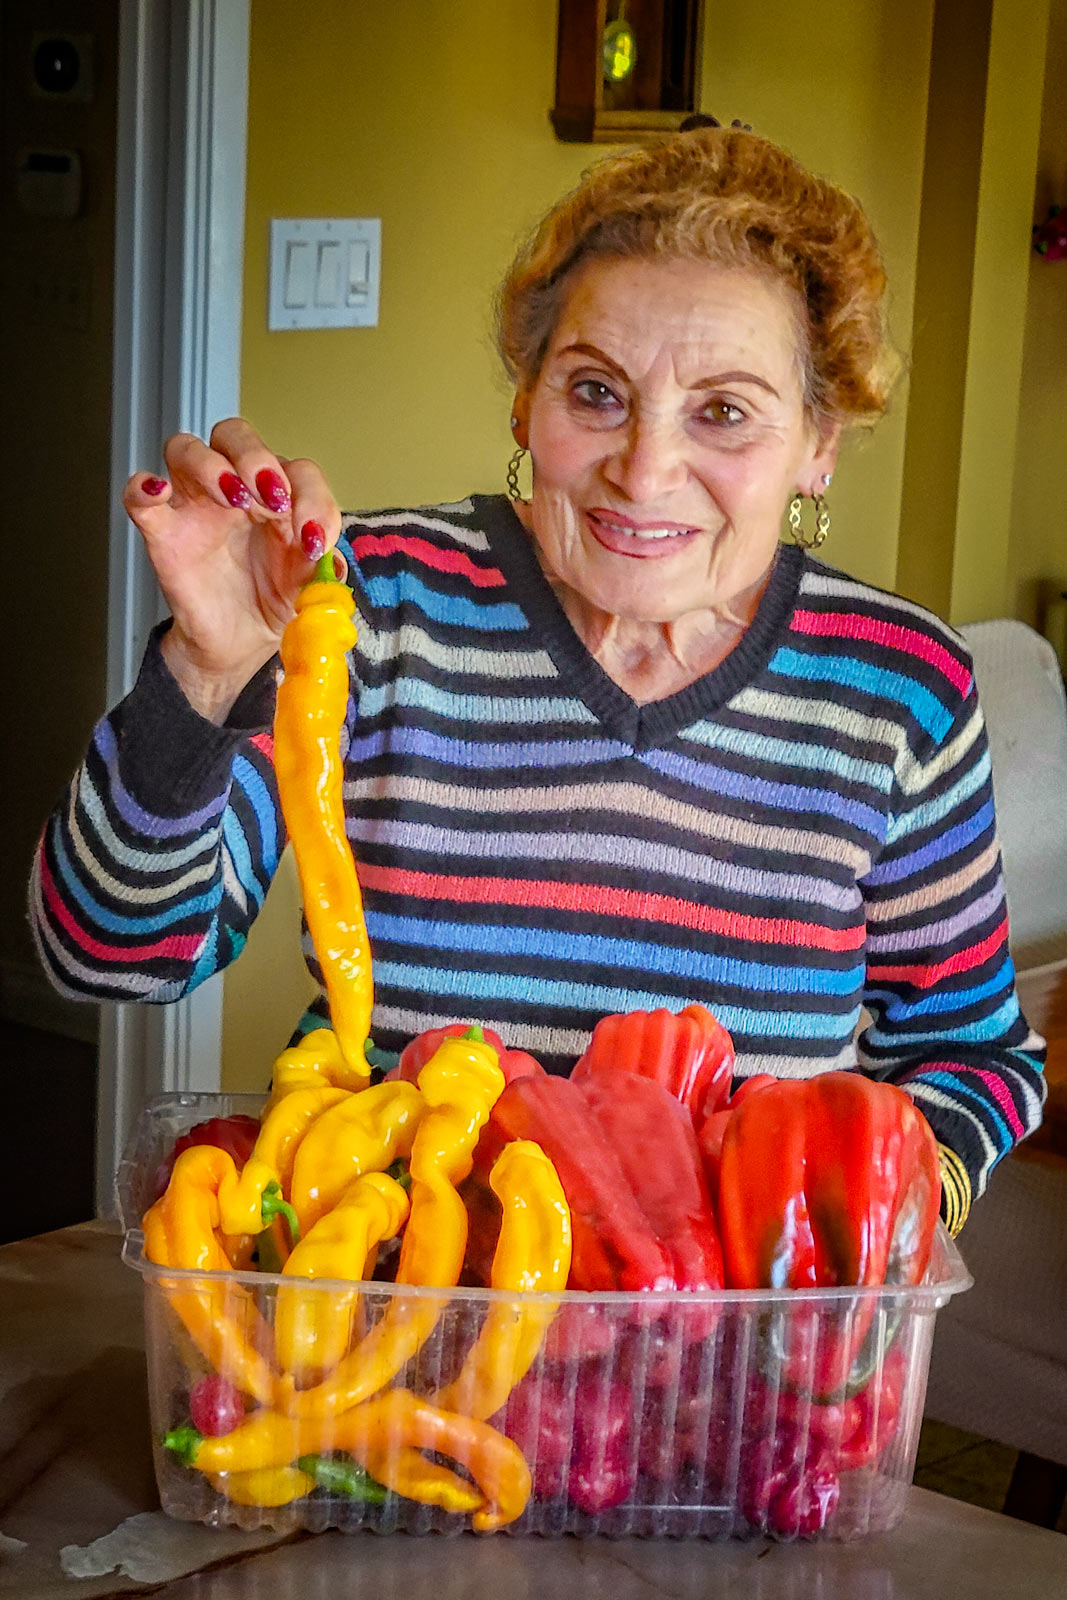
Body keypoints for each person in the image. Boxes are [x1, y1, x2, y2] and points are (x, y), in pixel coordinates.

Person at [30, 120, 1044, 1236]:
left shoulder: (895, 686)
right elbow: (107, 955)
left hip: (724, 1349)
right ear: (525, 403)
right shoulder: (365, 605)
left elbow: (966, 1052)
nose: (644, 468)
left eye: (722, 411)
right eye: (595, 393)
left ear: (817, 445)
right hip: (388, 1307)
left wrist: (882, 1215)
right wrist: (208, 674)